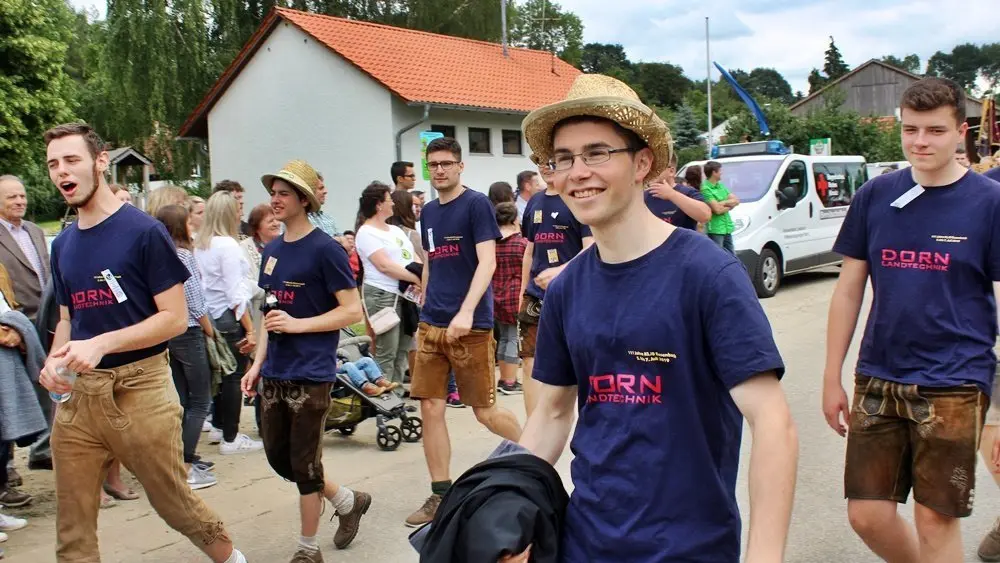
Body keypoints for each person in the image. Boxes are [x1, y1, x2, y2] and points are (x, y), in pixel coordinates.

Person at [508, 74, 797, 562]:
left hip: (689, 548)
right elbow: (552, 414)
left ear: (642, 163)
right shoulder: (568, 289)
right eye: (564, 159)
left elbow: (772, 423)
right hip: (585, 543)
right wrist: (506, 508)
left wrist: (764, 556)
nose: (578, 172)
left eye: (597, 153)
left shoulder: (708, 274)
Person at [39, 122, 247, 563]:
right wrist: (55, 360)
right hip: (79, 396)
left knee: (174, 504)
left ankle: (233, 560)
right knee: (72, 526)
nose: (61, 171)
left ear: (100, 162)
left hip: (141, 388)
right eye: (54, 164)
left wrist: (102, 343)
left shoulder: (144, 231)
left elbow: (174, 318)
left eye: (72, 160)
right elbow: (68, 318)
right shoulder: (64, 244)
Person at [822, 77, 1000, 563]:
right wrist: (832, 376)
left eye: (935, 130)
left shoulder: (989, 203)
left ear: (960, 131)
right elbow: (848, 289)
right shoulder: (876, 195)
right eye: (910, 129)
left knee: (934, 519)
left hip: (956, 381)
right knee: (867, 515)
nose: (920, 141)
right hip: (879, 375)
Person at [241, 160, 371, 562]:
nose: (275, 200)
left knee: (305, 465)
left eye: (283, 193)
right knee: (281, 459)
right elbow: (269, 315)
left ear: (304, 200)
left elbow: (352, 311)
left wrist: (299, 325)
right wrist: (256, 364)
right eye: (273, 193)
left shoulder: (326, 250)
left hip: (312, 374)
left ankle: (307, 548)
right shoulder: (272, 250)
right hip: (274, 372)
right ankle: (347, 500)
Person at [406, 137, 522, 528]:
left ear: (460, 166)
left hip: (470, 326)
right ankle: (440, 494)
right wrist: (424, 301)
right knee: (430, 408)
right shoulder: (428, 212)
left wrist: (467, 311)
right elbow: (431, 261)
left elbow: (487, 262)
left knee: (484, 411)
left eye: (446, 163)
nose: (439, 170)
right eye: (433, 164)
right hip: (432, 324)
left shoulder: (476, 205)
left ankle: (536, 454)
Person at [519, 158, 593, 417]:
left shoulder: (577, 198)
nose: (545, 166)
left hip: (574, 295)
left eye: (551, 161)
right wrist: (522, 291)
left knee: (575, 366)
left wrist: (561, 272)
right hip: (535, 295)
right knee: (529, 362)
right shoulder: (534, 202)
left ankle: (578, 421)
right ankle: (533, 427)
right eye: (540, 161)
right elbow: (530, 251)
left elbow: (591, 247)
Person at [155, 204, 218, 490]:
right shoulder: (183, 255)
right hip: (190, 330)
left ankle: (177, 459)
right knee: (201, 400)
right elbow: (194, 298)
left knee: (181, 400)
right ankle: (187, 464)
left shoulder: (157, 255)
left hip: (169, 332)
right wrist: (210, 330)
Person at [195, 191, 261, 455]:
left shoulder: (201, 244)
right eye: (237, 209)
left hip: (211, 315)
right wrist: (250, 329)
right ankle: (231, 439)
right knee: (233, 377)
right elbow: (235, 293)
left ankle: (220, 426)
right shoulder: (228, 246)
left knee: (221, 376)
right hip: (229, 315)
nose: (240, 214)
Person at [355, 182, 421, 397]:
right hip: (382, 294)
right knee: (387, 350)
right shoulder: (366, 232)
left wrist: (420, 275)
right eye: (389, 199)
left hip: (405, 294)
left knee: (403, 348)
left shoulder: (395, 230)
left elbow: (412, 256)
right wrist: (416, 278)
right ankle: (383, 401)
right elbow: (384, 265)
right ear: (378, 204)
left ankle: (397, 395)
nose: (393, 203)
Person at [492, 202, 526, 395]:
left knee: (504, 337)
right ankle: (510, 381)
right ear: (514, 219)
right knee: (513, 338)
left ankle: (503, 378)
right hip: (515, 296)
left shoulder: (492, 243)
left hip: (495, 295)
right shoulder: (521, 244)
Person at [644, 156, 711, 230]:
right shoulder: (644, 196)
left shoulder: (687, 192)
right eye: (650, 167)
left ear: (671, 171)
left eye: (656, 168)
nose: (650, 171)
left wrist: (671, 194)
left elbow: (705, 216)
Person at [701, 161, 739, 254]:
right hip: (716, 229)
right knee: (719, 256)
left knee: (732, 257)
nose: (722, 173)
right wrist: (729, 206)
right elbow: (717, 210)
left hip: (727, 227)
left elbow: (736, 201)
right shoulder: (705, 188)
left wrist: (723, 203)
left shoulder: (721, 185)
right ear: (714, 172)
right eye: (720, 171)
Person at [308, 172, 340, 237]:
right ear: (310, 191)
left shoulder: (328, 219)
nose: (325, 191)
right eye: (321, 188)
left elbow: (341, 240)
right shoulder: (301, 220)